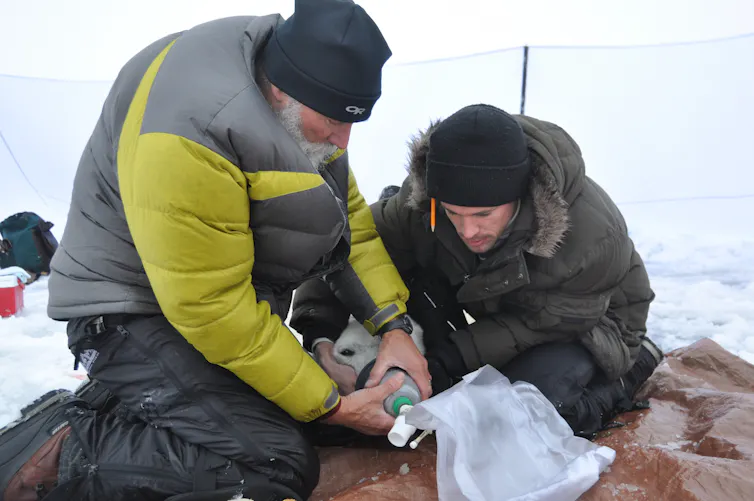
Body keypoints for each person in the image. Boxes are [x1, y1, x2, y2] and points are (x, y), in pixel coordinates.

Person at [0, 1, 433, 500]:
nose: (343, 141)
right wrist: (331, 406)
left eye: (354, 121)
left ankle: (126, 405)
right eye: (334, 121)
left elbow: (347, 222)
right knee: (273, 464)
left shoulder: (302, 96)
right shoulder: (192, 132)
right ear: (282, 90)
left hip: (203, 310)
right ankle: (66, 450)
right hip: (129, 314)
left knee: (304, 417)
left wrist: (394, 326)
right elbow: (212, 307)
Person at [291, 103, 664, 439]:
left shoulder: (590, 238)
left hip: (586, 323)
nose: (468, 231)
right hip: (490, 297)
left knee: (528, 413)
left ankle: (634, 368)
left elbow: (533, 325)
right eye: (453, 214)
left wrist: (443, 362)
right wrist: (320, 337)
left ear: (520, 196)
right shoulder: (425, 204)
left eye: (484, 214)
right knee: (424, 387)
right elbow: (350, 245)